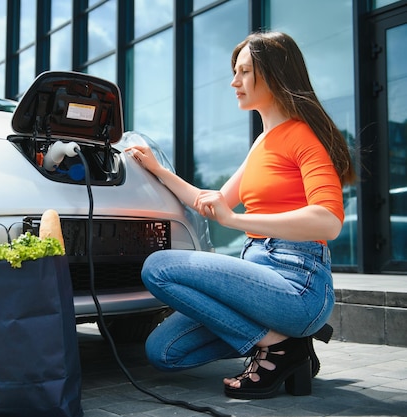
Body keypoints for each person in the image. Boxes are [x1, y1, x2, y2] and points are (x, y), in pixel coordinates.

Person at [126, 31, 355, 400]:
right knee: (164, 352)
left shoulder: (303, 136)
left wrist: (236, 221)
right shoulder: (263, 142)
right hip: (259, 278)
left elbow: (328, 219)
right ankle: (283, 344)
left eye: (244, 72)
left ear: (275, 74)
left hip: (298, 283)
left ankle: (282, 346)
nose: (234, 82)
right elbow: (210, 200)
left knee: (159, 268)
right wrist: (156, 169)